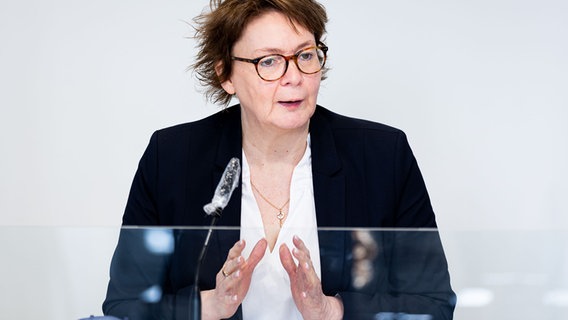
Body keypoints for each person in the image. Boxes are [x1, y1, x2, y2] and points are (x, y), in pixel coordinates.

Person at [103, 0, 456, 319]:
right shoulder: (173, 158)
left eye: (305, 55)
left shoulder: (382, 156)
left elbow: (433, 304)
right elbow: (125, 306)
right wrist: (208, 306)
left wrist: (331, 310)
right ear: (226, 74)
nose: (294, 78)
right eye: (268, 61)